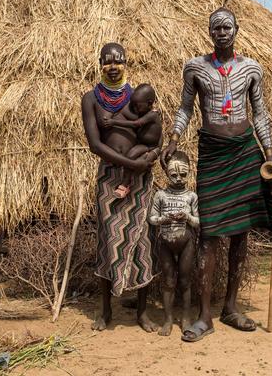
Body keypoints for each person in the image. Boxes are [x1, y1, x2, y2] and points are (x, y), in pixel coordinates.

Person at [162, 0, 272, 342]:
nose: (222, 32)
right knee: (210, 235)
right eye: (216, 27)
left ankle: (231, 307)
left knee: (241, 234)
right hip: (212, 152)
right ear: (209, 32)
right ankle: (205, 315)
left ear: (237, 30)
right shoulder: (195, 68)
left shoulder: (252, 68)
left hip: (245, 151)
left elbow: (259, 113)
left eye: (227, 26)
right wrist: (173, 137)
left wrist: (269, 152)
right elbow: (185, 108)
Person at [81, 43, 159, 333]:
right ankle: (105, 312)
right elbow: (94, 144)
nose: (113, 66)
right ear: (100, 63)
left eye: (119, 61)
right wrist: (129, 163)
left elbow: (153, 135)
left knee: (142, 241)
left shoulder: (138, 96)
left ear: (126, 63)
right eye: (107, 61)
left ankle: (142, 312)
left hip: (138, 176)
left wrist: (144, 160)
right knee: (108, 239)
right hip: (110, 177)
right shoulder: (91, 99)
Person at [149, 150, 200, 337]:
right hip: (165, 243)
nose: (178, 179)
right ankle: (168, 319)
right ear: (167, 174)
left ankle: (186, 319)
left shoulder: (192, 196)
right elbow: (152, 218)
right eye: (174, 175)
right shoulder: (160, 195)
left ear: (190, 172)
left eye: (183, 175)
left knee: (185, 281)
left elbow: (198, 222)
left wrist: (186, 216)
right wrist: (164, 218)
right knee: (169, 282)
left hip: (186, 242)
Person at [102, 83, 162, 198]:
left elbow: (136, 124)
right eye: (133, 105)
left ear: (149, 103)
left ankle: (125, 184)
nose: (135, 109)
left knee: (133, 157)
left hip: (150, 146)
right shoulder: (144, 113)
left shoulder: (152, 115)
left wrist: (113, 122)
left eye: (137, 106)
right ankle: (126, 183)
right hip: (142, 144)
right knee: (130, 156)